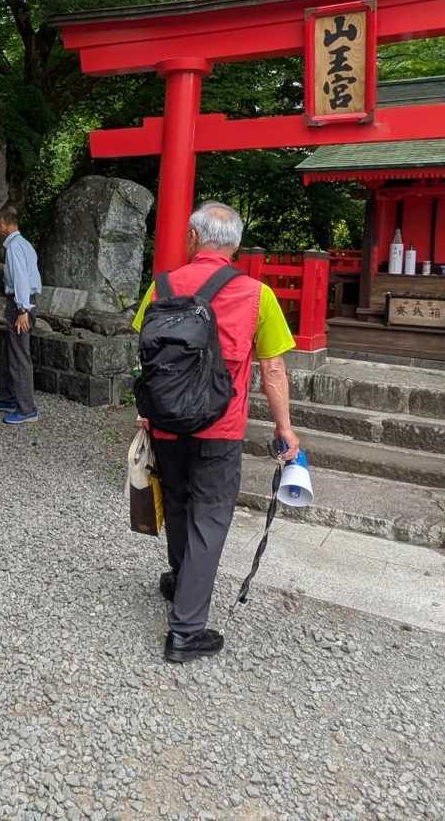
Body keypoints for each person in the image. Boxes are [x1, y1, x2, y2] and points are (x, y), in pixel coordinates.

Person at [130, 202, 300, 664]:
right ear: (236, 245)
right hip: (220, 427)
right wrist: (284, 428)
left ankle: (180, 579)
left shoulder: (162, 286)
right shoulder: (257, 295)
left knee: (178, 504)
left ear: (192, 237)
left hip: (166, 422)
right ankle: (186, 632)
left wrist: (144, 408)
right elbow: (273, 370)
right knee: (209, 517)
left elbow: (143, 352)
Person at [0, 205, 41, 425]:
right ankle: (9, 398)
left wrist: (23, 310)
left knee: (19, 356)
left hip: (20, 305)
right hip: (20, 302)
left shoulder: (14, 246)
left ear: (4, 224)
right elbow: (18, 272)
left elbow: (22, 279)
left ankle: (27, 409)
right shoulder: (23, 244)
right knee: (9, 352)